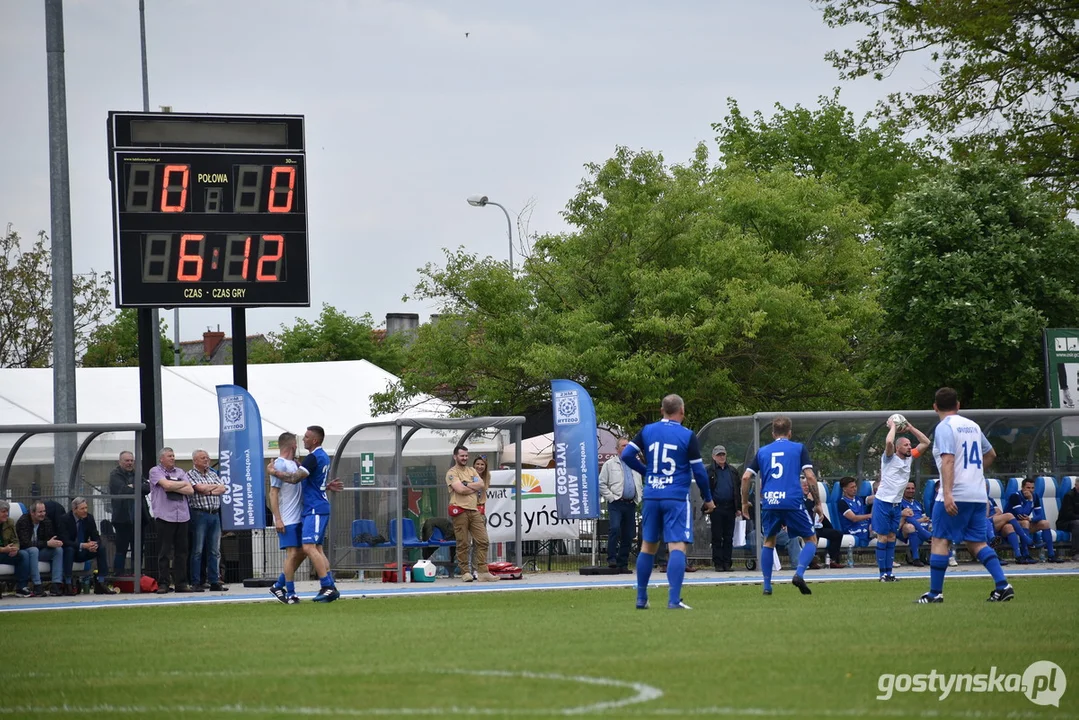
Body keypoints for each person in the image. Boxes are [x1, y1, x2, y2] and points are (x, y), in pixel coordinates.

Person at [917, 387, 1013, 603]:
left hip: (956, 493)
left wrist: (948, 493)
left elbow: (948, 460)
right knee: (976, 542)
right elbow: (990, 454)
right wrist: (973, 476)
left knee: (939, 539)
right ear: (958, 405)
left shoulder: (944, 427)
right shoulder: (973, 426)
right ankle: (1003, 585)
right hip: (978, 494)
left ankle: (934, 594)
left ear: (935, 407)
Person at [622, 394, 715, 610]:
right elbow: (699, 472)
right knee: (677, 546)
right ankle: (674, 600)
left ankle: (641, 598)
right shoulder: (687, 435)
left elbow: (626, 455)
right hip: (675, 496)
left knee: (648, 546)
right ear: (681, 411)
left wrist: (647, 472)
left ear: (662, 410)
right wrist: (708, 498)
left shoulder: (647, 430)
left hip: (652, 495)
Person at [741, 416, 818, 596]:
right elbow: (810, 476)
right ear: (790, 432)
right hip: (792, 501)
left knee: (769, 541)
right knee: (811, 539)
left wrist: (744, 503)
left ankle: (767, 586)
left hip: (770, 501)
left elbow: (745, 477)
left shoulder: (762, 452)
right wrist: (818, 503)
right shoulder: (798, 448)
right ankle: (799, 573)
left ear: (773, 433)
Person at [265, 425, 342, 601]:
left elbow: (294, 479)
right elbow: (275, 491)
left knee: (307, 548)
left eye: (307, 437)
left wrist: (273, 471)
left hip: (313, 509)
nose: (304, 440)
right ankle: (285, 588)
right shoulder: (312, 459)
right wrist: (325, 486)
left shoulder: (313, 458)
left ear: (314, 440)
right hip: (305, 511)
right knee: (311, 550)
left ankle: (327, 586)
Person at [872, 418, 930, 581]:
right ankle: (882, 574)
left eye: (910, 445)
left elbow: (925, 442)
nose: (909, 447)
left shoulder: (909, 457)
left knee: (891, 537)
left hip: (896, 504)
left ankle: (889, 573)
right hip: (883, 502)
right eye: (906, 445)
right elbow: (889, 441)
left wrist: (910, 427)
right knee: (883, 537)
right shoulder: (889, 457)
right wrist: (893, 427)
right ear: (898, 448)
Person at [444, 445, 498, 582]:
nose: (465, 458)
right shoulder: (451, 473)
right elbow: (459, 489)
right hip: (459, 510)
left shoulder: (472, 470)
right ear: (455, 456)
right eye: (462, 455)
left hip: (474, 510)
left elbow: (481, 484)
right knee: (463, 543)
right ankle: (465, 572)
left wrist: (465, 485)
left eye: (466, 455)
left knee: (483, 540)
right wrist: (470, 487)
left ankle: (482, 571)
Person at [149, 446, 195, 593]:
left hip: (182, 516)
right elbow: (166, 485)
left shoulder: (180, 472)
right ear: (161, 458)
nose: (172, 458)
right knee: (164, 552)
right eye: (169, 456)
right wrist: (181, 484)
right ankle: (163, 583)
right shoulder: (155, 471)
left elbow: (191, 490)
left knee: (182, 552)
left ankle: (181, 583)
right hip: (165, 516)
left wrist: (173, 486)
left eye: (173, 455)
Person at [269, 432, 304, 604]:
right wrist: (278, 518)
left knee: (303, 551)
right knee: (292, 554)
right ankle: (290, 593)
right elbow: (273, 493)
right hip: (287, 518)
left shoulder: (293, 464)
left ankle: (278, 585)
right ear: (293, 446)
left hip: (297, 517)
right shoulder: (280, 464)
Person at [598, 437, 642, 573]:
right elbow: (601, 483)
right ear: (617, 449)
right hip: (616, 502)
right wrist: (611, 497)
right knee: (615, 528)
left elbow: (640, 481)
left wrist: (640, 495)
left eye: (628, 446)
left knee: (628, 534)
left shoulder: (636, 464)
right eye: (623, 446)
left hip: (630, 503)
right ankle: (611, 558)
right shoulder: (610, 464)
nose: (626, 447)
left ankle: (622, 563)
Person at [187, 448, 229, 591]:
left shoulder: (213, 473)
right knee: (198, 549)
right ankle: (196, 581)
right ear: (195, 461)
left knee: (214, 550)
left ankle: (214, 580)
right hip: (199, 514)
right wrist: (212, 489)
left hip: (214, 514)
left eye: (207, 457)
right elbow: (198, 488)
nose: (206, 460)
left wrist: (208, 490)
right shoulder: (190, 475)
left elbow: (223, 488)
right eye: (203, 458)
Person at [58, 496, 116, 594]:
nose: (85, 511)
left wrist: (95, 545)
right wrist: (82, 545)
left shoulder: (89, 518)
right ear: (74, 509)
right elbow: (65, 541)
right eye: (82, 509)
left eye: (86, 508)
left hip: (85, 550)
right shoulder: (65, 519)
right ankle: (68, 584)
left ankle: (101, 583)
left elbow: (96, 537)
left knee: (101, 548)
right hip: (72, 551)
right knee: (69, 549)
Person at [108, 450, 152, 575]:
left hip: (140, 517)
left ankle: (136, 574)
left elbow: (148, 487)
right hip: (122, 518)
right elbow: (122, 490)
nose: (130, 463)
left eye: (131, 460)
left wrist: (133, 486)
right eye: (127, 460)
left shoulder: (137, 473)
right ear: (120, 462)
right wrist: (136, 487)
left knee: (138, 548)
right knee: (121, 548)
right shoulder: (115, 475)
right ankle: (119, 574)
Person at [1007, 478, 1065, 563]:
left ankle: (1051, 555)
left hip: (1023, 524)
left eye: (1032, 488)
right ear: (1022, 488)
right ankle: (1026, 554)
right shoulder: (1015, 496)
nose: (1030, 490)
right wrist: (1030, 500)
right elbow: (1022, 514)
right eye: (1028, 487)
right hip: (1010, 526)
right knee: (1025, 522)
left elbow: (1040, 515)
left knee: (1045, 523)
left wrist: (1031, 519)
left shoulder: (1035, 496)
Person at [15, 499, 65, 596]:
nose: (43, 514)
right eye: (40, 512)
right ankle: (37, 585)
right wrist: (47, 543)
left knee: (58, 550)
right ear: (32, 513)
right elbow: (25, 543)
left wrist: (55, 542)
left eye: (44, 511)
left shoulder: (46, 521)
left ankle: (56, 584)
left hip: (41, 551)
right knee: (34, 550)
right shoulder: (23, 521)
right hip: (26, 551)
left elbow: (50, 538)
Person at [707, 445, 740, 572]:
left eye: (723, 454)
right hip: (716, 508)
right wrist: (708, 502)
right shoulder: (709, 470)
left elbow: (737, 489)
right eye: (719, 455)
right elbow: (704, 488)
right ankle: (718, 563)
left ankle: (727, 562)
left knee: (728, 537)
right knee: (717, 536)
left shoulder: (732, 471)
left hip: (730, 508)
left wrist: (738, 507)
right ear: (713, 456)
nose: (721, 457)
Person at [803, 476, 843, 569]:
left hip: (818, 526)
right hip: (807, 527)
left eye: (808, 486)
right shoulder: (800, 499)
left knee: (837, 534)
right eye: (804, 486)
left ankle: (832, 560)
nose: (807, 488)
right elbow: (805, 512)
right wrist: (809, 500)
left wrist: (828, 524)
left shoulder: (815, 499)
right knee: (814, 534)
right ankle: (811, 561)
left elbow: (818, 512)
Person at [836, 477, 871, 563]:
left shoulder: (859, 499)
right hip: (852, 529)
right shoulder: (842, 503)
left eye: (855, 486)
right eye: (852, 487)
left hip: (865, 526)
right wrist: (871, 516)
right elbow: (853, 518)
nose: (855, 489)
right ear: (844, 489)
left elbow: (874, 499)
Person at [0, 500, 30, 598]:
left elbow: (15, 539)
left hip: (6, 551)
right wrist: (3, 549)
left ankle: (21, 587)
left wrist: (15, 548)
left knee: (23, 555)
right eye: (3, 511)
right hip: (2, 551)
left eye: (7, 511)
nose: (6, 514)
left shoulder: (10, 522)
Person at [469, 456, 493, 576]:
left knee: (481, 542)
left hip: (481, 512)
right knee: (466, 543)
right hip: (469, 511)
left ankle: (477, 568)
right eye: (477, 464)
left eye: (482, 464)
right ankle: (466, 569)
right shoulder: (469, 476)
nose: (479, 466)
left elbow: (483, 488)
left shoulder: (486, 478)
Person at [899, 481, 932, 566]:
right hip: (903, 529)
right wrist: (920, 521)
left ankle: (945, 557)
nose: (911, 490)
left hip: (920, 528)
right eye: (908, 488)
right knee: (910, 525)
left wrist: (925, 519)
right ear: (903, 490)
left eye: (913, 488)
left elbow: (924, 516)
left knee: (936, 526)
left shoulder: (917, 503)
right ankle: (916, 558)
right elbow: (900, 521)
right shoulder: (899, 503)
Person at [1057, 482, 1079, 561]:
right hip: (1064, 522)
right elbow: (1068, 514)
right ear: (1076, 485)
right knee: (1077, 524)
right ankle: (1075, 553)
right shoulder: (1069, 496)